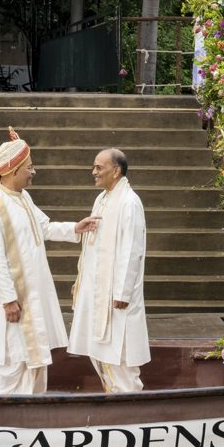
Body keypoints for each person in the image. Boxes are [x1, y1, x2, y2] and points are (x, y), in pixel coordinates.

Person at [0, 127, 92, 395]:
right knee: (13, 357)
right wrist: (7, 299)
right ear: (14, 171)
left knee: (34, 355)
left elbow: (45, 228)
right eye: (30, 167)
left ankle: (33, 411)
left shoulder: (23, 198)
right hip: (14, 301)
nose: (33, 171)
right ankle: (4, 418)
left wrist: (77, 227)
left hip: (33, 295)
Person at [67, 147, 152, 392]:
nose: (93, 172)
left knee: (120, 353)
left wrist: (123, 293)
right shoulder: (102, 199)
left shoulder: (129, 202)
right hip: (96, 293)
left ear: (116, 171)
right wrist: (81, 279)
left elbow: (131, 250)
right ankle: (115, 397)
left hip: (116, 297)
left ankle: (129, 401)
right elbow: (91, 248)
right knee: (100, 351)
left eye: (98, 167)